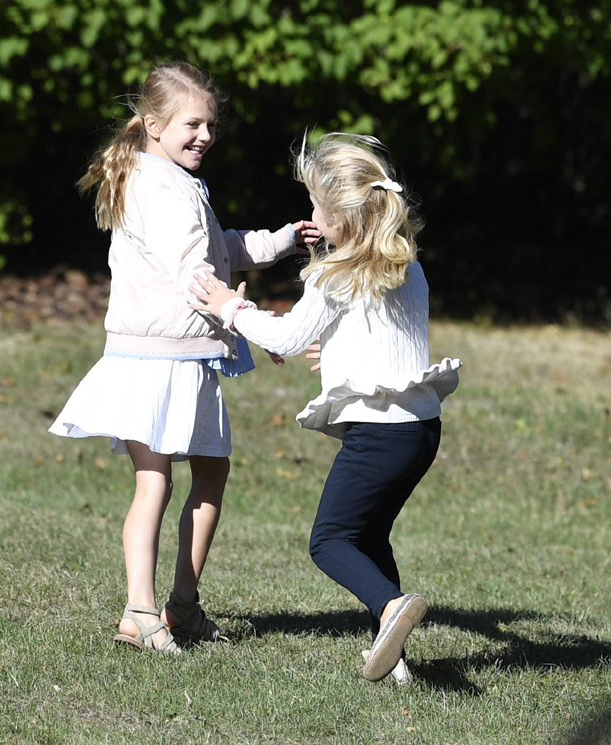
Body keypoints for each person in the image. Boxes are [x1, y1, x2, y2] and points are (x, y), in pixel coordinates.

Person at [49, 61, 319, 654]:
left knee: (209, 474)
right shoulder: (160, 185)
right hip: (157, 360)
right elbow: (193, 274)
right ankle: (140, 613)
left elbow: (215, 251)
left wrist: (281, 240)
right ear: (152, 124)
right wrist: (246, 322)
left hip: (186, 356)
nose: (204, 136)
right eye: (192, 124)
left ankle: (182, 607)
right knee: (155, 482)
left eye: (210, 125)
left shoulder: (174, 180)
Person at [191, 132, 462, 682]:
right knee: (368, 537)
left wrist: (230, 307)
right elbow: (387, 336)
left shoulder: (333, 276)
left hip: (379, 436)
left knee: (331, 540)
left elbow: (288, 337)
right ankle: (395, 661)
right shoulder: (408, 268)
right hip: (420, 432)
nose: (310, 215)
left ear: (343, 218)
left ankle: (390, 609)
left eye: (317, 206)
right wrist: (338, 349)